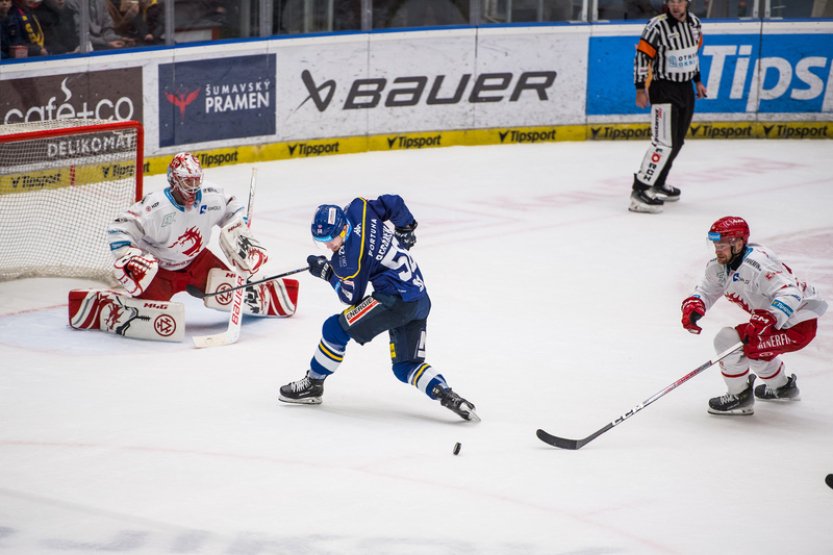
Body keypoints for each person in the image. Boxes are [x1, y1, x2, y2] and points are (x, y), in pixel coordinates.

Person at [279, 196, 480, 422]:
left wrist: (327, 273)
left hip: (395, 301)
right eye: (321, 240)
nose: (327, 246)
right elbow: (393, 203)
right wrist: (406, 227)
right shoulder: (359, 208)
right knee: (405, 366)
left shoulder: (349, 259)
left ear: (343, 229)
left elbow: (350, 296)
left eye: (329, 239)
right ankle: (446, 394)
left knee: (334, 329)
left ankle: (313, 384)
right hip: (420, 298)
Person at [68, 153, 299, 341]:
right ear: (174, 180)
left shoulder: (211, 195)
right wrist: (131, 255)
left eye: (197, 180)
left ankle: (264, 294)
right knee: (157, 316)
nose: (194, 187)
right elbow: (118, 230)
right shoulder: (154, 207)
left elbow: (233, 208)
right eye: (188, 182)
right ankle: (105, 306)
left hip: (198, 262)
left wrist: (239, 231)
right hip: (160, 270)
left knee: (226, 291)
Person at [680, 216, 828, 415]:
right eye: (716, 245)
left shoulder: (757, 263)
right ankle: (782, 388)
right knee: (753, 346)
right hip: (780, 324)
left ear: (739, 243)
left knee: (728, 341)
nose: (717, 250)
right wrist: (694, 306)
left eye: (722, 245)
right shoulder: (719, 266)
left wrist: (769, 316)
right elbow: (706, 290)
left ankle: (739, 395)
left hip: (798, 325)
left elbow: (791, 292)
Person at [628, 0, 708, 214]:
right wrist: (640, 88)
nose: (676, 5)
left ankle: (658, 182)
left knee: (677, 141)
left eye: (680, 1)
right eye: (672, 1)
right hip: (663, 88)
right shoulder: (656, 26)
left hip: (685, 89)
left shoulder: (695, 24)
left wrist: (698, 81)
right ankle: (639, 191)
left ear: (687, 3)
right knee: (663, 143)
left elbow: (692, 55)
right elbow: (641, 58)